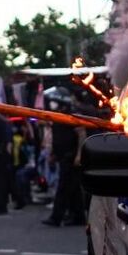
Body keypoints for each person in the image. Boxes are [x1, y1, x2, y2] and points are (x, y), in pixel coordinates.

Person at [41, 87, 86, 227]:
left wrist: (79, 155)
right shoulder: (57, 116)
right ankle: (78, 217)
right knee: (73, 190)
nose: (51, 104)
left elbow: (81, 134)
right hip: (63, 157)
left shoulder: (71, 115)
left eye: (53, 101)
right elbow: (57, 137)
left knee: (63, 189)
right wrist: (54, 154)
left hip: (71, 157)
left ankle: (56, 218)